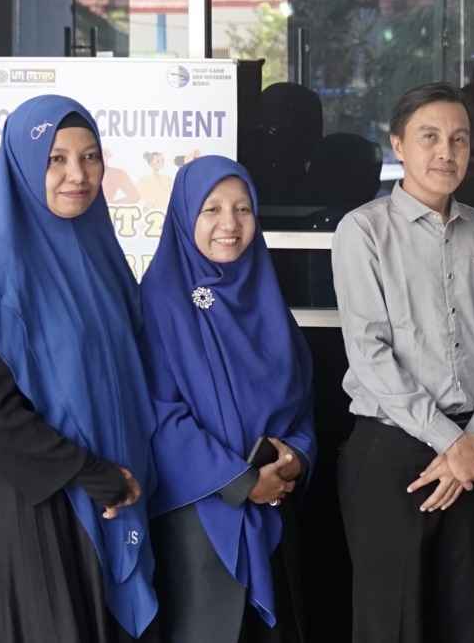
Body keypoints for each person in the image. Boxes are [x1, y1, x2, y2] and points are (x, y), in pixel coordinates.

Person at [0, 95, 157, 642]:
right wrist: (88, 471)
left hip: (99, 487)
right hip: (25, 503)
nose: (77, 175)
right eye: (55, 159)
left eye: (90, 157)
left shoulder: (100, 256)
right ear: (21, 164)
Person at [331, 82, 474, 643]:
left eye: (459, 139)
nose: (446, 152)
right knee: (393, 622)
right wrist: (450, 443)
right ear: (398, 145)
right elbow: (369, 352)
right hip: (393, 450)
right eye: (430, 137)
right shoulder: (363, 230)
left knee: (466, 617)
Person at [141, 156, 316, 643]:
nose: (230, 224)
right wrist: (241, 482)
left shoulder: (266, 294)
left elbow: (301, 397)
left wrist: (296, 457)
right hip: (200, 515)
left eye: (243, 209)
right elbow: (160, 415)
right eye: (212, 209)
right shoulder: (159, 301)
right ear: (185, 216)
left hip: (275, 507)